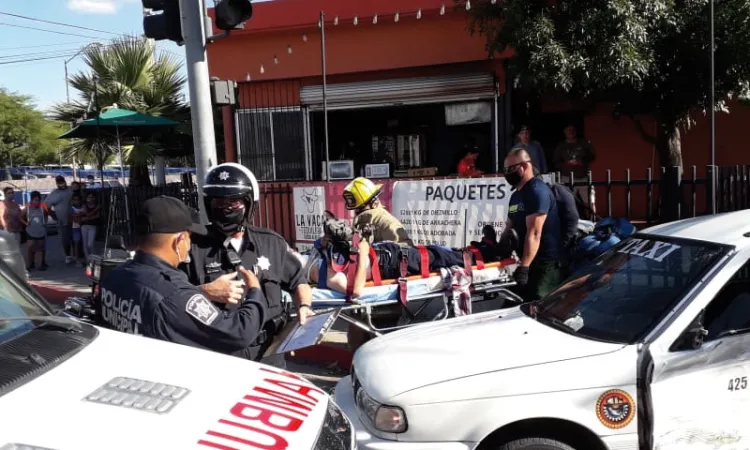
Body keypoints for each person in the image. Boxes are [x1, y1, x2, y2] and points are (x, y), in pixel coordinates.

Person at [97, 196, 268, 358]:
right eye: (189, 239)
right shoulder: (175, 294)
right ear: (178, 241)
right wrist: (254, 290)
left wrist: (201, 291)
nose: (189, 246)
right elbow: (238, 333)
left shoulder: (115, 275)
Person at [183, 163, 313, 366]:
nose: (226, 208)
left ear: (249, 203)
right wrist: (203, 292)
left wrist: (304, 306)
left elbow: (299, 282)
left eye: (233, 202)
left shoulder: (271, 243)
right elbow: (169, 298)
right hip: (218, 357)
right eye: (219, 202)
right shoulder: (191, 247)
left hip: (269, 353)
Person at [502, 148, 565, 301]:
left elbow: (535, 233)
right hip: (529, 263)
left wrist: (524, 267)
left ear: (524, 166)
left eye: (510, 169)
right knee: (512, 305)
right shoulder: (516, 196)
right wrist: (499, 249)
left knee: (540, 308)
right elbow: (509, 227)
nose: (507, 173)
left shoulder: (537, 191)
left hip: (546, 266)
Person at [342, 177, 412, 244]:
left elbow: (401, 252)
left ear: (374, 203)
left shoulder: (388, 224)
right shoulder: (368, 222)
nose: (356, 211)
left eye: (359, 208)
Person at [553, 123, 597, 219]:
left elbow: (592, 156)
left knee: (589, 202)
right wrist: (566, 164)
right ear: (564, 132)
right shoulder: (561, 146)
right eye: (568, 130)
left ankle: (593, 222)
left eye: (572, 130)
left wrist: (582, 161)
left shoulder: (583, 143)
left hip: (583, 177)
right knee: (568, 203)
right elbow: (556, 162)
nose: (571, 132)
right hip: (567, 178)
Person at [44, 175, 74, 264]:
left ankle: (77, 255)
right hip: (62, 220)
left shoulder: (71, 190)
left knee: (76, 239)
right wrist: (53, 215)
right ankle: (68, 256)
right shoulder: (54, 193)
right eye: (59, 182)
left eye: (62, 181)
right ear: (56, 183)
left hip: (76, 219)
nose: (61, 184)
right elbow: (45, 205)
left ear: (65, 181)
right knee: (65, 239)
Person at [25, 191, 48, 271]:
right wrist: (25, 223)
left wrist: (45, 223)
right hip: (30, 231)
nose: (36, 202)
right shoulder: (27, 207)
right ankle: (30, 264)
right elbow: (20, 216)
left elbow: (46, 215)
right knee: (30, 247)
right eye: (35, 200)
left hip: (40, 230)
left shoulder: (42, 206)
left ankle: (40, 264)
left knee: (40, 247)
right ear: (31, 200)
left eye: (38, 200)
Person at [79, 191, 101, 261]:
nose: (89, 199)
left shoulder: (97, 205)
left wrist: (86, 218)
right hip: (84, 226)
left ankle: (95, 258)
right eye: (88, 197)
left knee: (90, 244)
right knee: (85, 244)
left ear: (94, 198)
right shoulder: (84, 206)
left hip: (93, 226)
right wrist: (95, 210)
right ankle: (88, 259)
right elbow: (88, 214)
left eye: (91, 197)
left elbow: (97, 216)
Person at [70, 193, 84, 267]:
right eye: (75, 200)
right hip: (75, 228)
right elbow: (73, 218)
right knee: (76, 243)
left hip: (84, 227)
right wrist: (80, 215)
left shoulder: (83, 207)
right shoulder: (71, 208)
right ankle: (77, 259)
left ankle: (85, 258)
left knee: (84, 243)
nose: (76, 201)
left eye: (78, 200)